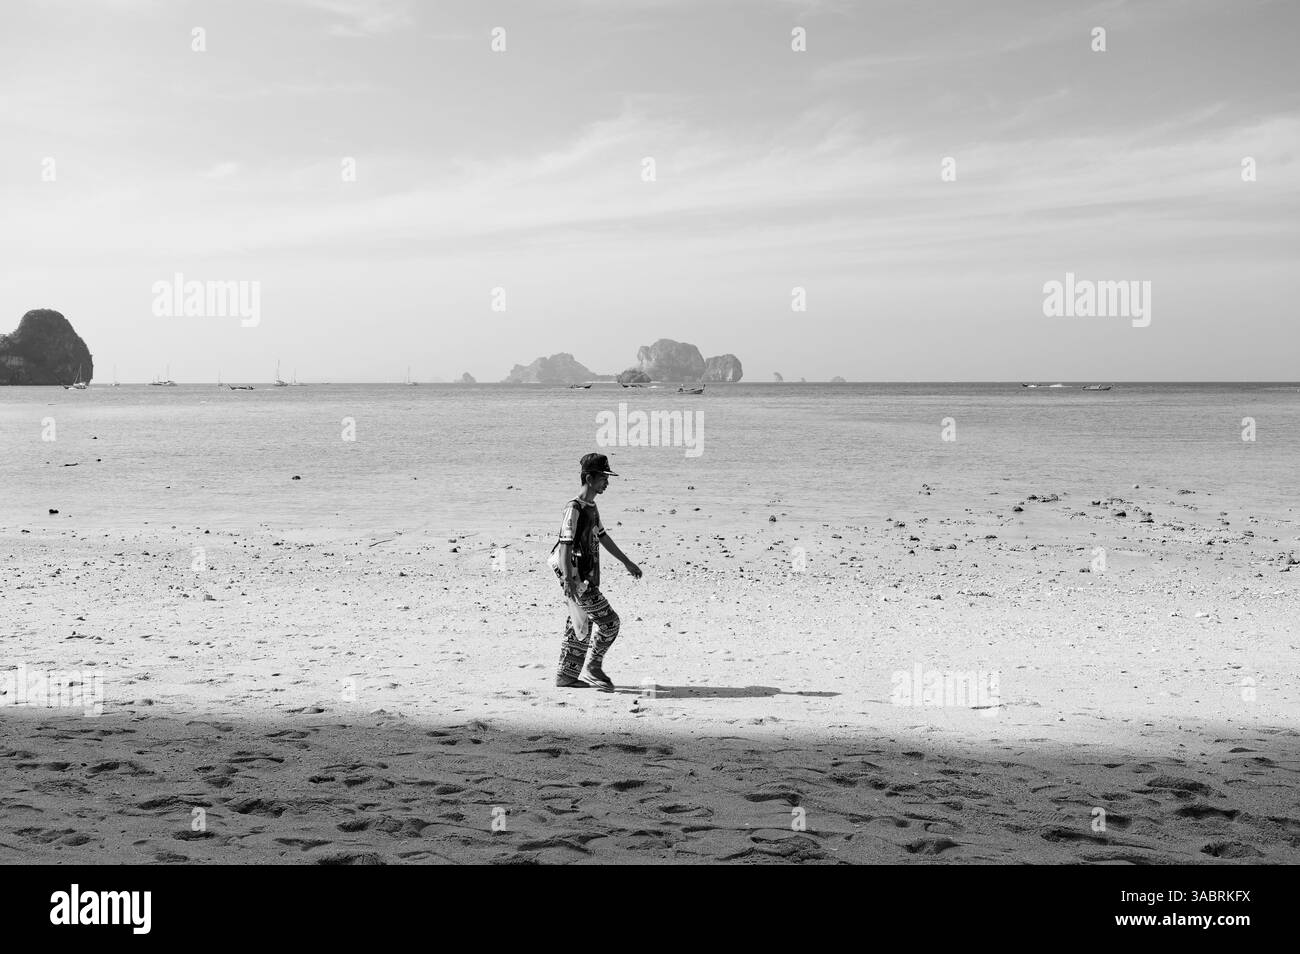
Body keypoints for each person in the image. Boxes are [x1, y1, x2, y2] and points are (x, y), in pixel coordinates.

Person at [550, 453, 642, 690]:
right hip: (577, 577)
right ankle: (593, 667)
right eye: (603, 477)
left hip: (586, 576)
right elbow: (564, 544)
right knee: (610, 623)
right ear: (589, 478)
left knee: (580, 623)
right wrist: (570, 580)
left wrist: (626, 562)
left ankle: (566, 676)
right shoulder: (574, 508)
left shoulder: (591, 507)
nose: (607, 482)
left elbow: (602, 536)